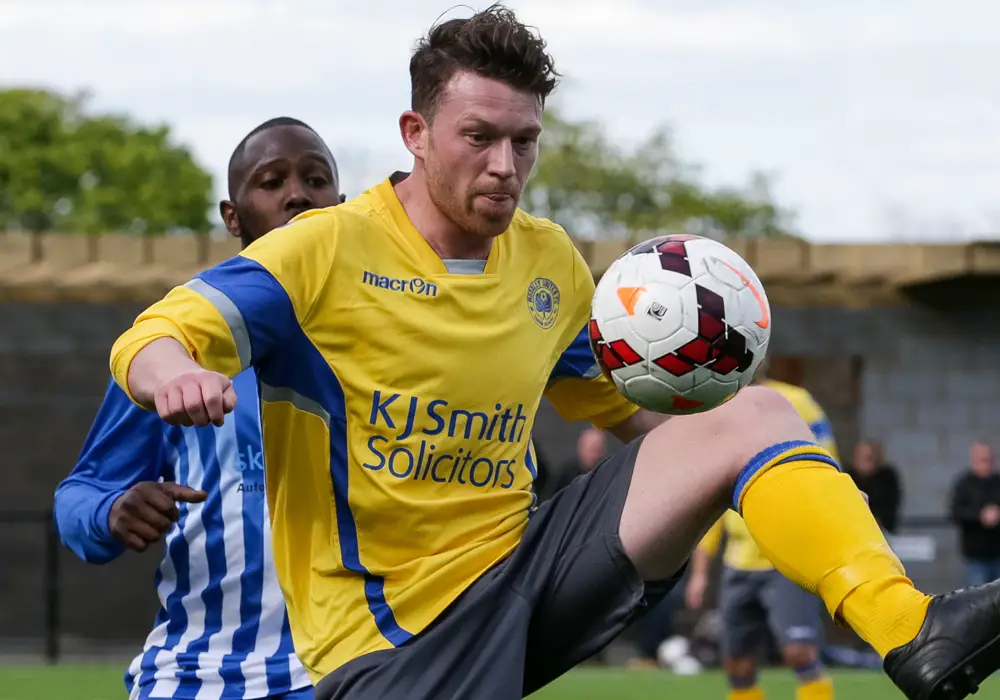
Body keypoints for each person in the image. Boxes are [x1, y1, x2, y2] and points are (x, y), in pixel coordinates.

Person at [105, 8, 1000, 700]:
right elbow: (154, 335)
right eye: (478, 137)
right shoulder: (322, 250)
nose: (505, 164)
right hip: (391, 641)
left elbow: (627, 415)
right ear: (415, 135)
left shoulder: (549, 262)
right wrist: (173, 374)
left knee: (755, 414)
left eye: (523, 141)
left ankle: (911, 629)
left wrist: (705, 379)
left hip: (527, 572)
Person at [54, 117, 344, 700]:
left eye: (315, 180)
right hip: (201, 673)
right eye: (272, 181)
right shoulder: (175, 346)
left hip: (346, 673)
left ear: (339, 204)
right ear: (232, 216)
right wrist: (113, 511)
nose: (297, 195)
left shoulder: (382, 338)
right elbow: (77, 496)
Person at [685, 370, 839, 700]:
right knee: (736, 664)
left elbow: (827, 463)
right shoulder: (717, 408)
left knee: (798, 651)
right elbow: (711, 497)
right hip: (737, 565)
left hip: (787, 558)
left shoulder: (796, 401)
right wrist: (699, 573)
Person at [950, 442, 1000, 587]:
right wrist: (980, 515)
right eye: (982, 459)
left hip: (998, 552)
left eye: (989, 459)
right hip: (975, 556)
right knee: (978, 603)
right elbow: (956, 511)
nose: (986, 464)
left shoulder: (998, 482)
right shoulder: (964, 484)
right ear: (973, 460)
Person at [846, 440, 901, 534]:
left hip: (883, 531)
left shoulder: (887, 477)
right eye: (858, 457)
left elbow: (891, 506)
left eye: (867, 458)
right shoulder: (847, 477)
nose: (860, 462)